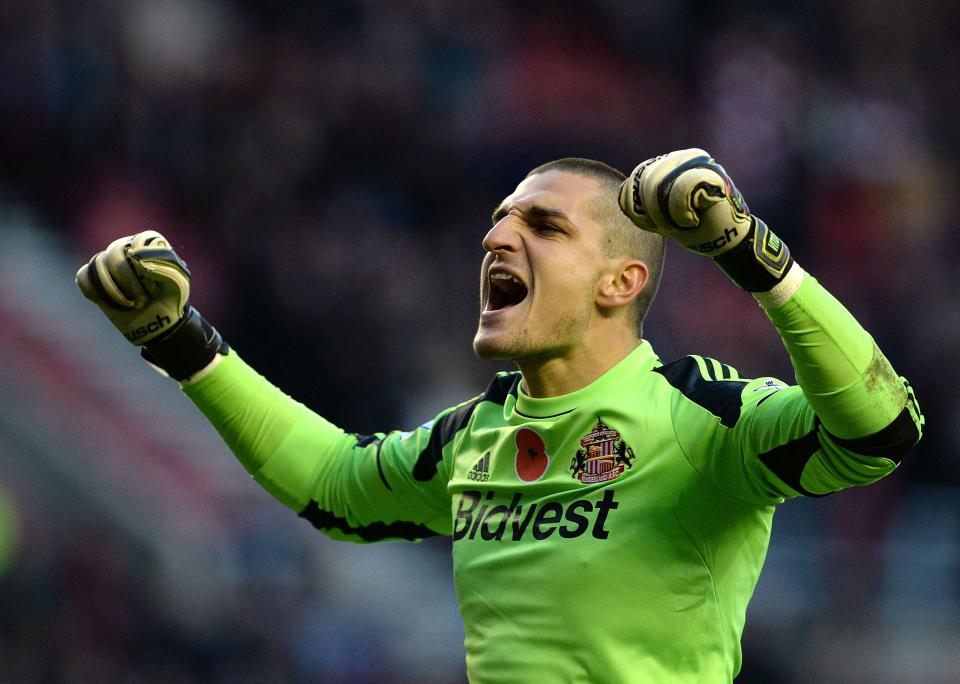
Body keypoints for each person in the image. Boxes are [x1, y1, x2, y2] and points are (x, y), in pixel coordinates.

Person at [76, 149, 924, 682]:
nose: (497, 239)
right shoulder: (470, 439)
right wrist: (179, 341)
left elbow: (881, 430)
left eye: (544, 226)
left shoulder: (703, 417)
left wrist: (752, 252)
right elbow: (332, 484)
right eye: (498, 222)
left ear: (619, 283)